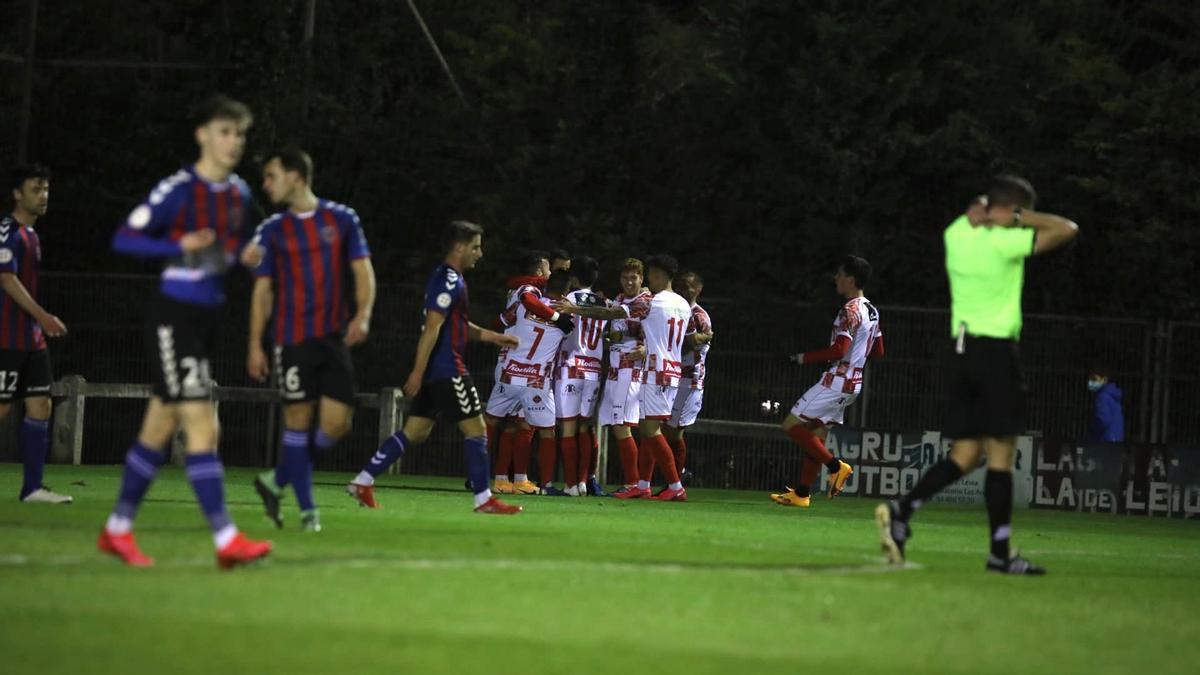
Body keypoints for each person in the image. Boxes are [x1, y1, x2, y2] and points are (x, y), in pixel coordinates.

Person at [98, 95, 273, 568]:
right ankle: (226, 539)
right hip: (173, 316)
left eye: (239, 134)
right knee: (202, 424)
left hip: (206, 320)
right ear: (202, 135)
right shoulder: (177, 189)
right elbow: (125, 238)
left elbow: (240, 245)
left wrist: (246, 254)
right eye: (224, 132)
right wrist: (179, 242)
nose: (233, 142)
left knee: (157, 429)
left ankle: (117, 530)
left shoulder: (237, 194)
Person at [875, 175, 1079, 574]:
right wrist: (1018, 217)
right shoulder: (1004, 242)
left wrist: (988, 208)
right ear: (1007, 210)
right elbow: (1066, 229)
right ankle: (999, 554)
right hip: (995, 352)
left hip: (960, 352)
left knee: (965, 455)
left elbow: (974, 211)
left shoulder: (956, 234)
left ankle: (902, 510)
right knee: (1001, 455)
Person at [345, 220, 523, 514]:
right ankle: (484, 500)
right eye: (476, 247)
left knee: (415, 431)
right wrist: (417, 372)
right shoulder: (449, 281)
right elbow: (432, 327)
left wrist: (492, 337)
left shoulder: (448, 278)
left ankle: (362, 481)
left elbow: (456, 324)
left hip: (435, 370)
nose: (480, 253)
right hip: (447, 368)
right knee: (477, 430)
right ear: (459, 247)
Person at [242, 147, 376, 533]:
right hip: (291, 340)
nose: (266, 184)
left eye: (272, 176)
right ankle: (307, 512)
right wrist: (255, 344)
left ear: (296, 176)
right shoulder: (271, 230)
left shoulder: (341, 218)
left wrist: (363, 314)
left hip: (332, 338)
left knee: (338, 424)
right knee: (297, 425)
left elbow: (363, 271)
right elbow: (262, 291)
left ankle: (276, 479)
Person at [560, 254, 691, 501]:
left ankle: (670, 486)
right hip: (662, 369)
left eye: (643, 276)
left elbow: (613, 315)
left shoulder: (650, 301)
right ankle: (643, 484)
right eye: (625, 277)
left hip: (649, 370)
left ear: (653, 276)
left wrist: (575, 309)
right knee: (644, 428)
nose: (634, 282)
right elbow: (689, 336)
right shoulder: (682, 304)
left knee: (644, 429)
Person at [770, 256, 879, 508]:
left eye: (840, 274)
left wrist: (799, 358)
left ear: (851, 279)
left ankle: (836, 467)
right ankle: (802, 493)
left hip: (837, 380)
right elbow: (879, 350)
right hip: (854, 383)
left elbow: (839, 349)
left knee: (791, 425)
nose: (836, 278)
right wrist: (858, 357)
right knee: (814, 434)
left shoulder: (849, 310)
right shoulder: (872, 310)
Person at [1, 163, 70, 503]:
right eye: (35, 189)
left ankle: (32, 488)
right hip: (5, 337)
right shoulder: (7, 230)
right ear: (17, 194)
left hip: (30, 338)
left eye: (45, 189)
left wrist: (38, 324)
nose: (43, 196)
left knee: (41, 405)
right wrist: (43, 316)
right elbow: (5, 277)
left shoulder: (32, 235)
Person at [485, 270, 574, 493]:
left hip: (510, 375)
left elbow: (501, 321)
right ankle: (546, 485)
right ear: (566, 292)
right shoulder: (567, 317)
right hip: (537, 381)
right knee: (546, 432)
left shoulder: (524, 304)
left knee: (490, 422)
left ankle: (484, 475)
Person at [577, 258, 650, 496]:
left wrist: (646, 348)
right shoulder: (619, 298)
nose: (629, 282)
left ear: (642, 278)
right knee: (614, 424)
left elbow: (656, 331)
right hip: (615, 367)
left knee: (622, 426)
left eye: (634, 278)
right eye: (625, 278)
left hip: (631, 368)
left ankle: (634, 483)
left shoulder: (645, 301)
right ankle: (635, 483)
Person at [489, 251, 550, 495]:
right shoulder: (529, 291)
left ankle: (504, 478)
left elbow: (502, 321)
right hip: (517, 365)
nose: (550, 275)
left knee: (513, 424)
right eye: (548, 270)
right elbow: (505, 320)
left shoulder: (517, 289)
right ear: (539, 271)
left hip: (511, 361)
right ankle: (514, 478)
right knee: (521, 423)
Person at [555, 256, 607, 496]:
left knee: (568, 428)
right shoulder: (603, 303)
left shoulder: (569, 299)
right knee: (585, 427)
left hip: (572, 366)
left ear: (574, 278)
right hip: (594, 369)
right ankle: (584, 481)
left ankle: (570, 485)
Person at [664, 271, 713, 485]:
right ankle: (676, 476)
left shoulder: (699, 316)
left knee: (674, 431)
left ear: (699, 289)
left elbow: (696, 346)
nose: (684, 289)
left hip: (690, 380)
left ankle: (677, 477)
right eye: (681, 284)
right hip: (673, 377)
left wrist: (673, 346)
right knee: (666, 430)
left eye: (689, 285)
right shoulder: (677, 309)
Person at [1086, 366, 1124, 443]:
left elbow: (1103, 421)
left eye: (1094, 379)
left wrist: (1091, 432)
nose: (1090, 382)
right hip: (1116, 439)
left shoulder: (1102, 397)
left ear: (1105, 380)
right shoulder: (1112, 396)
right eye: (1090, 379)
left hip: (1104, 440)